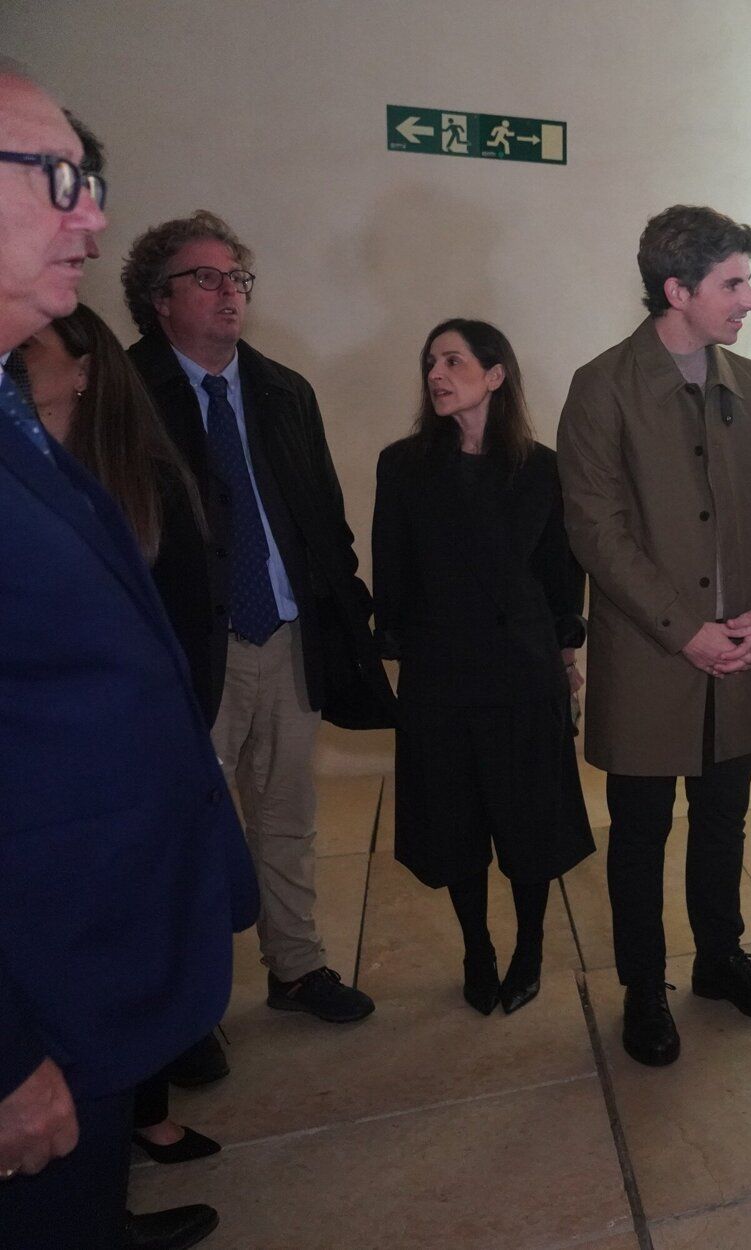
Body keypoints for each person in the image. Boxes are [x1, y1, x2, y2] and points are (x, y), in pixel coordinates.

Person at [0, 62, 256, 1249]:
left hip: (82, 959)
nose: (92, 213)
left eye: (90, 181)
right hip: (32, 999)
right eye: (57, 178)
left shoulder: (19, 418)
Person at [124, 210, 391, 1026]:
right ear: (157, 300)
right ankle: (187, 1009)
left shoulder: (283, 391)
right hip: (188, 652)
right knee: (184, 836)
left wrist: (341, 616)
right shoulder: (127, 395)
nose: (228, 293)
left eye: (236, 278)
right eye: (203, 278)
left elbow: (324, 520)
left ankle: (297, 967)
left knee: (287, 819)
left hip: (285, 636)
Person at [559, 204, 751, 1067]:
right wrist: (683, 630)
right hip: (652, 659)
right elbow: (595, 528)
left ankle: (721, 960)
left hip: (737, 650)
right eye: (732, 282)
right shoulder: (603, 387)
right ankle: (642, 987)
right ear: (676, 289)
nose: (750, 300)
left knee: (725, 819)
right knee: (641, 830)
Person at [17, 304, 226, 1179]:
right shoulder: (24, 467)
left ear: (82, 370)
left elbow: (181, 622)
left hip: (135, 776)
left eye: (31, 351)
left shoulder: (129, 477)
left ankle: (140, 1116)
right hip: (55, 800)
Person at [373, 319, 594, 1016]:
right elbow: (392, 569)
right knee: (454, 825)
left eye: (453, 360)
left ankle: (529, 945)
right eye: (429, 362)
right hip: (440, 678)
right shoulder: (403, 465)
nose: (436, 374)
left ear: (495, 375)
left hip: (523, 674)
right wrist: (398, 656)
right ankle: (477, 948)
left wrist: (566, 651)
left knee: (528, 824)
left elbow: (561, 573)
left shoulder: (542, 469)